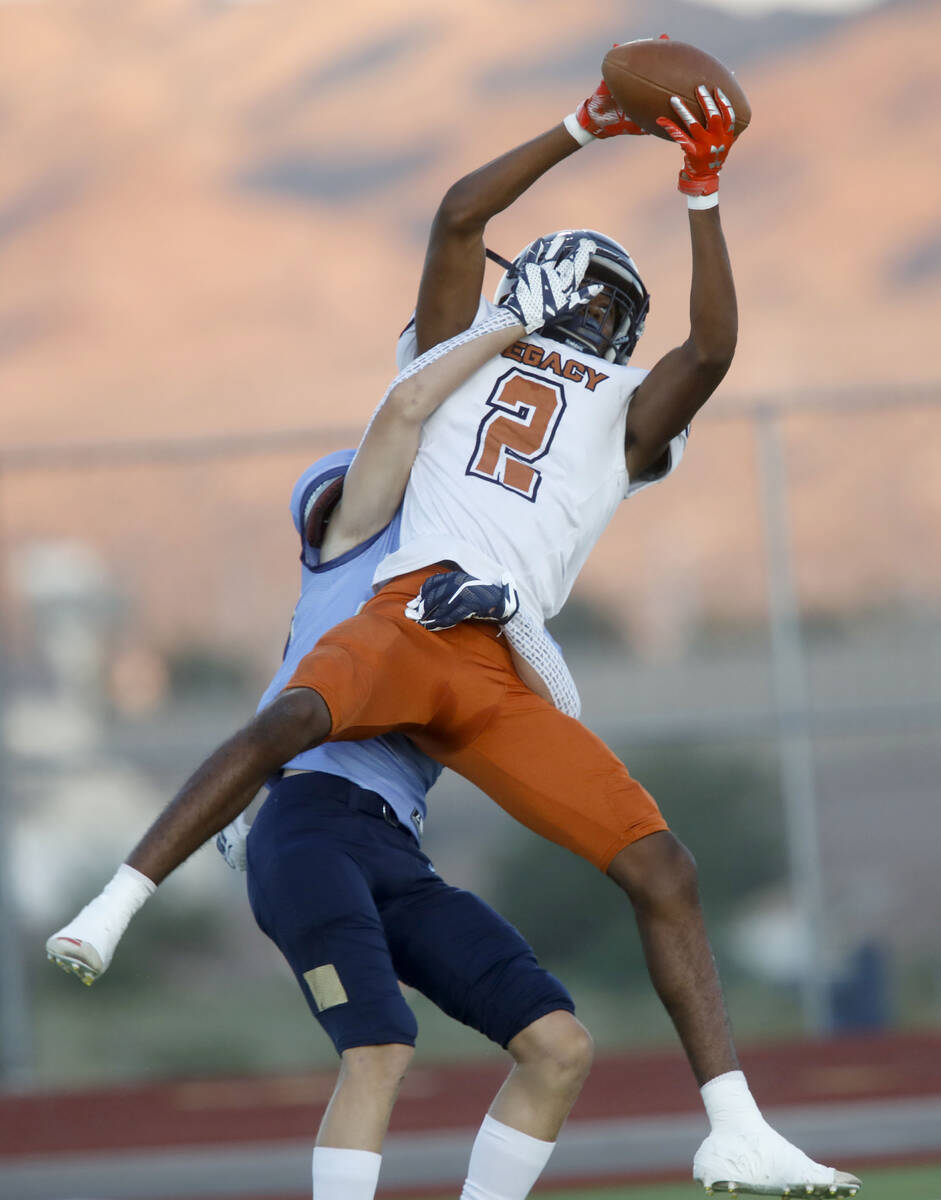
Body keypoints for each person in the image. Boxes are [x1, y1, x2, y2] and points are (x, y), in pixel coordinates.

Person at [48, 70, 861, 1199]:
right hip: (418, 617)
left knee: (659, 866)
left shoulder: (613, 407)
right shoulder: (453, 362)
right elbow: (460, 227)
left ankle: (731, 1122)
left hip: (496, 663)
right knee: (288, 721)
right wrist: (586, 139)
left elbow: (705, 352)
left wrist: (698, 189)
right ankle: (122, 896)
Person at [49, 246, 603, 1200]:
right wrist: (505, 323)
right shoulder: (355, 529)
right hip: (307, 820)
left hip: (396, 846)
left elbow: (559, 722)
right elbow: (402, 418)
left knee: (558, 1045)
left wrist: (509, 610)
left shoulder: (478, 555)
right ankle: (118, 899)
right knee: (380, 1048)